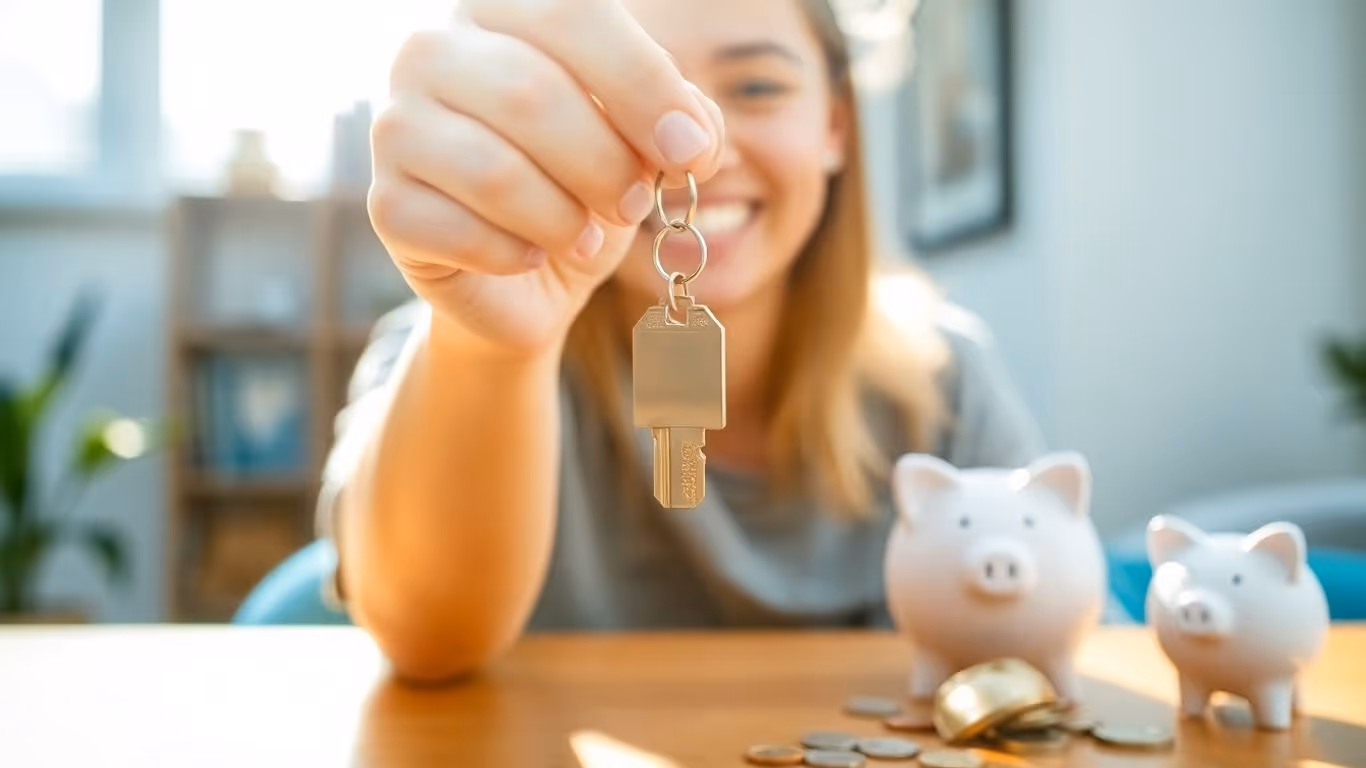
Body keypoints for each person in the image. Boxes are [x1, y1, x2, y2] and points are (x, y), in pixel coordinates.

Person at [319, 0, 1043, 682]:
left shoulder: (946, 380)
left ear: (836, 125)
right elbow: (422, 640)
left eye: (757, 86)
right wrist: (488, 348)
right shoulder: (456, 329)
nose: (700, 154)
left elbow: (1050, 627)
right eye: (615, 106)